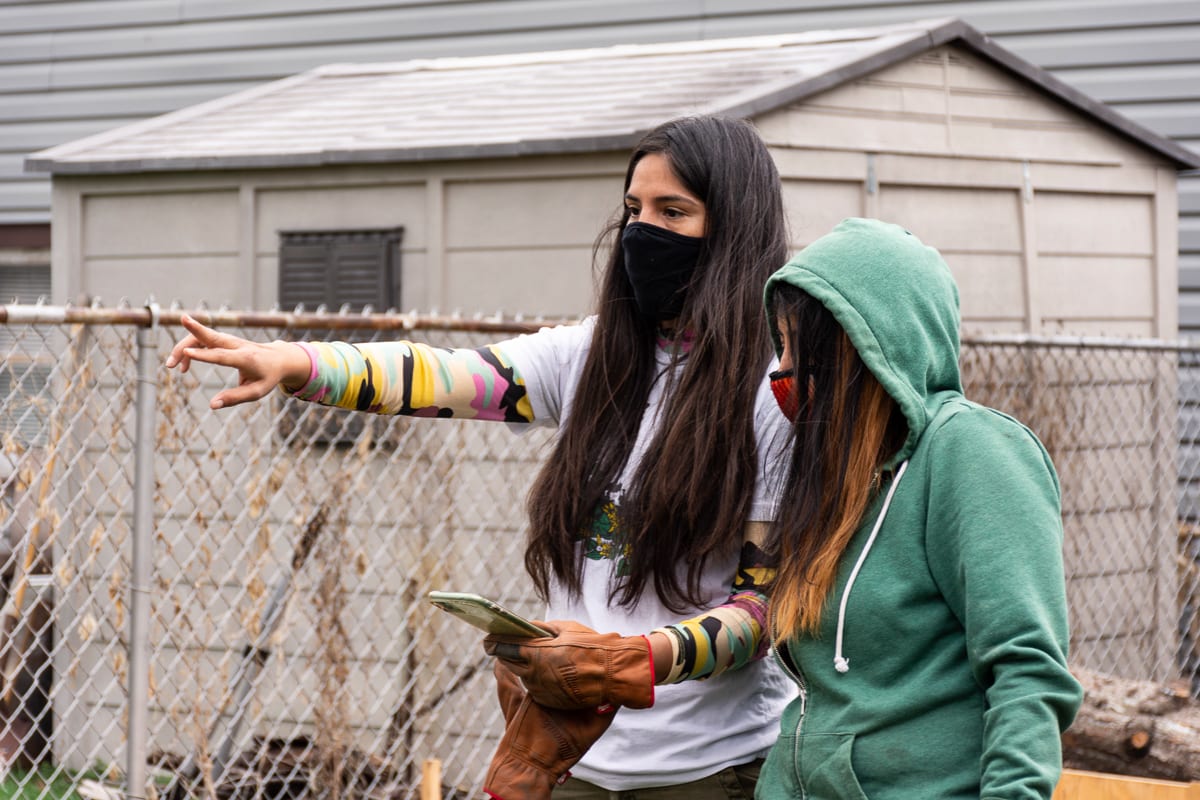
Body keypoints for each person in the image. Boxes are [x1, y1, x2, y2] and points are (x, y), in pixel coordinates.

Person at [165, 115, 796, 798]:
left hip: (708, 769)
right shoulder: (591, 356)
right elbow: (438, 377)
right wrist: (296, 363)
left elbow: (764, 609)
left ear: (734, 230)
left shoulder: (774, 390)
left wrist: (631, 662)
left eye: (673, 212)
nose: (642, 232)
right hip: (570, 759)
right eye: (632, 210)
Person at [756, 217, 1083, 800]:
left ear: (869, 341)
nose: (781, 368)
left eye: (798, 344)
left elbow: (1027, 671)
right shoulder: (841, 477)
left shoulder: (970, 451)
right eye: (778, 344)